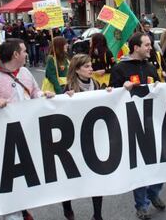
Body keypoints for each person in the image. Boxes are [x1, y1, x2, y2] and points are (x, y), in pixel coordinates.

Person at [0, 38, 54, 220]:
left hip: (27, 133)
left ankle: (25, 210)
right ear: (15, 54)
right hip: (3, 137)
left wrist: (42, 95)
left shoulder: (24, 72)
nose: (26, 54)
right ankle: (12, 214)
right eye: (23, 51)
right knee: (8, 178)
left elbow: (34, 92)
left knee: (27, 177)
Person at [110, 33, 163, 220]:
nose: (151, 48)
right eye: (147, 45)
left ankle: (154, 191)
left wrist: (159, 86)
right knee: (140, 164)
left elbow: (157, 91)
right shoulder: (119, 68)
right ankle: (142, 205)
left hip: (152, 121)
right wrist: (120, 88)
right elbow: (109, 96)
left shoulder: (150, 67)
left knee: (162, 159)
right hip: (131, 123)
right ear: (135, 48)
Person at [61, 53, 104, 220]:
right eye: (86, 66)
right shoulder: (68, 88)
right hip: (72, 141)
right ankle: (68, 209)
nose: (91, 69)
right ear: (77, 69)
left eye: (91, 65)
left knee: (96, 177)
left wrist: (107, 94)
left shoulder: (96, 84)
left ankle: (98, 215)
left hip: (92, 139)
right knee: (70, 178)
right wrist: (64, 99)